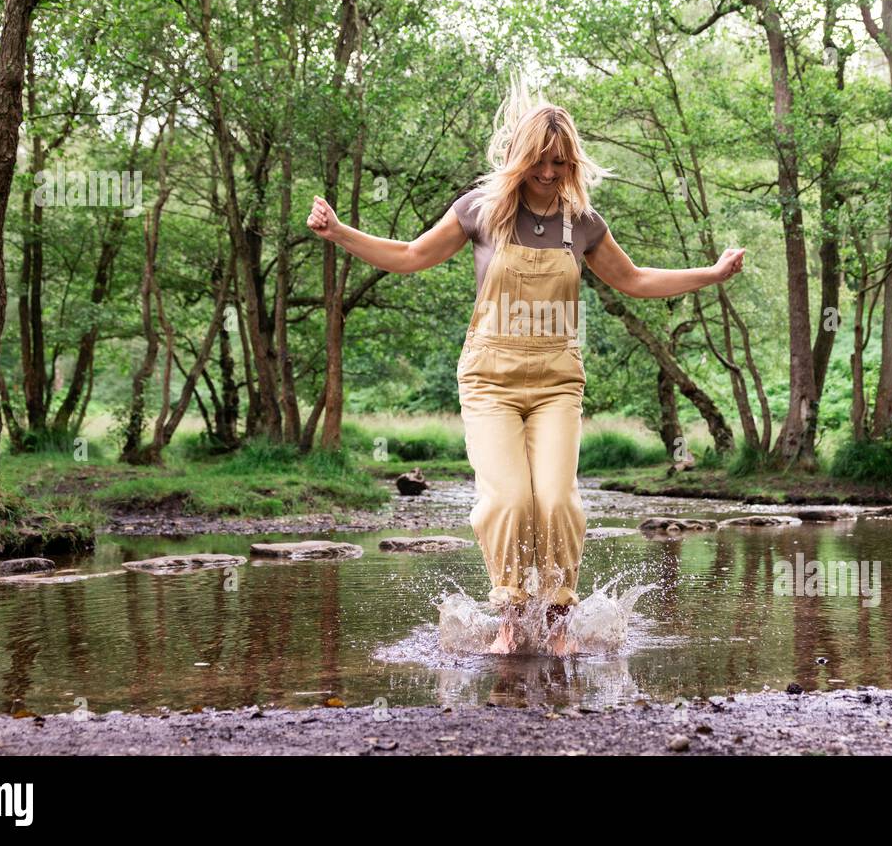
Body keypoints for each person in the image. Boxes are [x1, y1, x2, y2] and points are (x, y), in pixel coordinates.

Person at [306, 79, 745, 656]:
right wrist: (339, 232)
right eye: (540, 161)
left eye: (560, 163)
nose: (549, 173)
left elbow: (635, 280)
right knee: (510, 500)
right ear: (521, 156)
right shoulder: (480, 212)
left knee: (557, 501)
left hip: (558, 380)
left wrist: (708, 274)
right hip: (489, 379)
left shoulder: (583, 222)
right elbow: (411, 257)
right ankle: (512, 617)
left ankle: (559, 617)